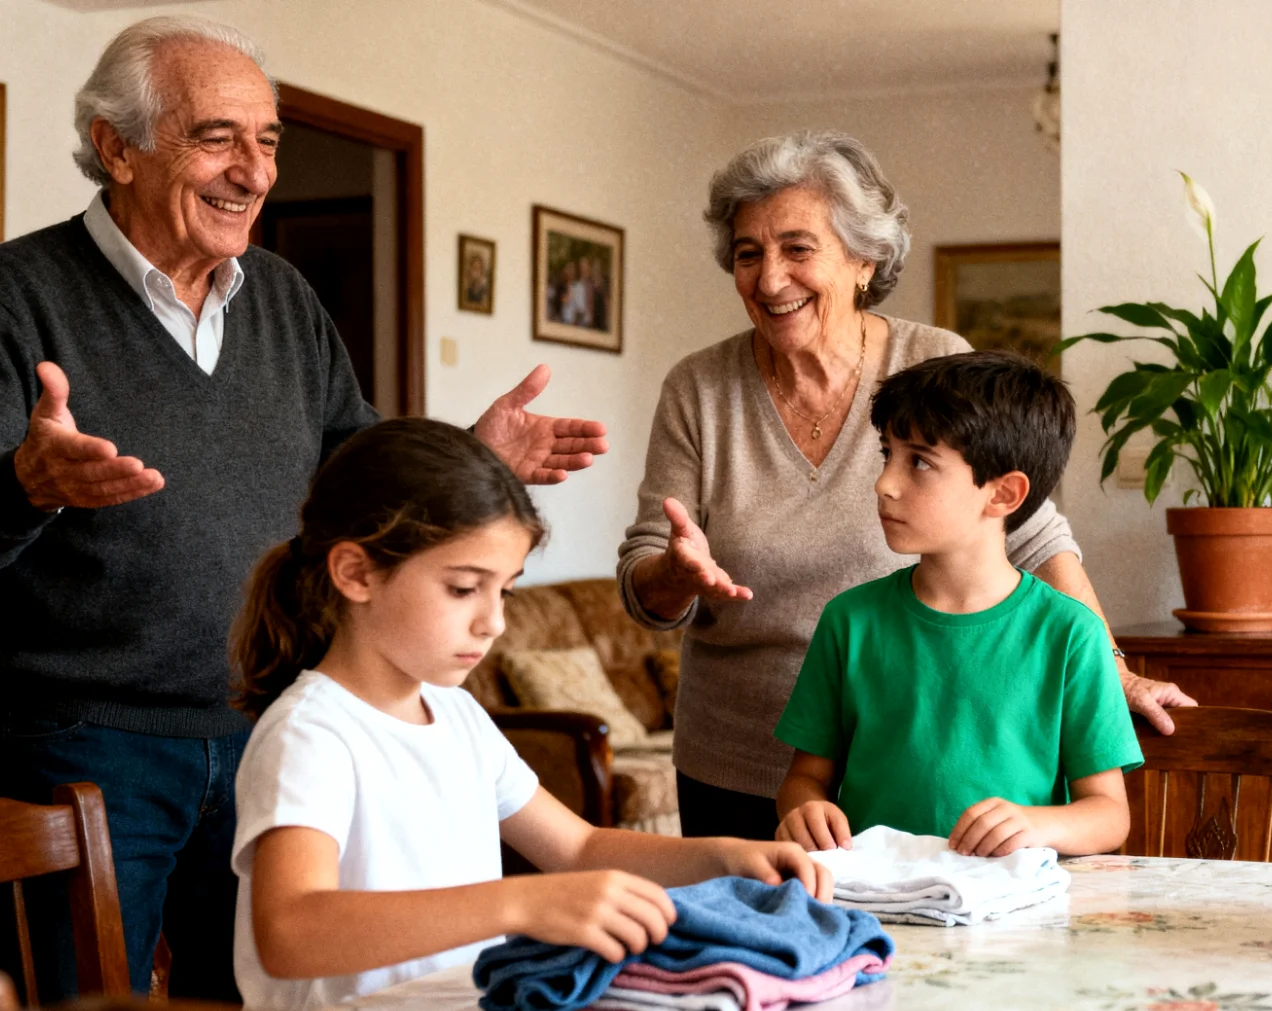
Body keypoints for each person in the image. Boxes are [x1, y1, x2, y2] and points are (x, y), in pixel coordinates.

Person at [0, 16, 607, 1002]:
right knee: (85, 999)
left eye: (268, 140)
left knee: (252, 993)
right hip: (85, 742)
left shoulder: (280, 295)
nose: (254, 171)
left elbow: (351, 468)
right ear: (117, 148)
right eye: (216, 137)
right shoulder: (16, 295)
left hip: (256, 718)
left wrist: (467, 455)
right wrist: (26, 483)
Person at [617, 131, 1193, 843]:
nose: (770, 279)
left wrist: (1115, 676)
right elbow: (647, 576)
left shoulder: (933, 363)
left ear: (864, 259)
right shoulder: (699, 389)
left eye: (798, 248)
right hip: (739, 759)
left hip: (900, 758)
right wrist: (675, 574)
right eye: (748, 253)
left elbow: (1039, 534)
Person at [229, 418, 828, 1011]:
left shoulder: (457, 715)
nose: (494, 622)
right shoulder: (310, 733)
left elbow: (580, 849)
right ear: (356, 573)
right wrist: (523, 904)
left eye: (505, 590)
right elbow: (290, 931)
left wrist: (725, 856)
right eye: (464, 588)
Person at [771, 352, 1141, 857]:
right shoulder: (848, 621)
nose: (885, 483)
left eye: (919, 461)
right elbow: (804, 780)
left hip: (1013, 915)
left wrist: (1036, 825)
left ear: (1004, 494)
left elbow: (1109, 814)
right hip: (875, 908)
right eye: (888, 454)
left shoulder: (1071, 634)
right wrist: (803, 811)